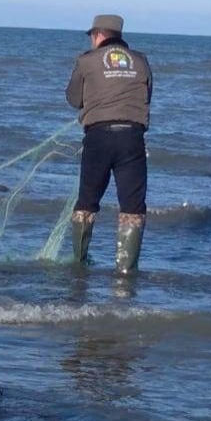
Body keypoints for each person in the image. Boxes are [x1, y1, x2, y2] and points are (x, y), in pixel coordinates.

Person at [65, 14, 153, 274]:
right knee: (133, 207)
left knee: (87, 201)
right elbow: (148, 95)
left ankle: (79, 265)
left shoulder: (86, 60)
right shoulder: (141, 61)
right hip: (132, 138)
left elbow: (72, 98)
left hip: (98, 138)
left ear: (98, 35)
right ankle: (125, 274)